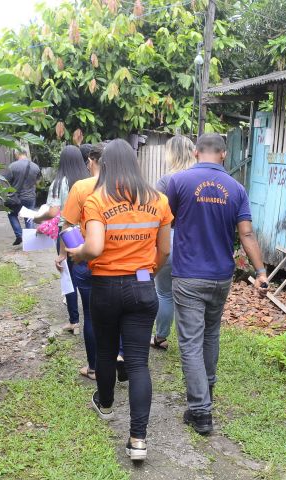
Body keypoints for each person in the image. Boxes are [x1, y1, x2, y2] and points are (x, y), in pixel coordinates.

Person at [68, 139, 172, 461]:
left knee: (106, 350)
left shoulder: (97, 199)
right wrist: (147, 272)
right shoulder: (159, 200)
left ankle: (107, 403)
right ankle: (138, 440)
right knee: (139, 362)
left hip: (106, 288)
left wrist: (77, 253)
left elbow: (95, 247)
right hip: (142, 286)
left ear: (106, 164)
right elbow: (165, 250)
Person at [166, 133, 268, 435]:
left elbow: (165, 220)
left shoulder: (179, 183)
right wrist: (260, 271)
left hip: (188, 275)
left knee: (190, 343)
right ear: (224, 154)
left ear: (196, 152)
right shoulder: (236, 189)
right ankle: (206, 394)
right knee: (210, 335)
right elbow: (247, 234)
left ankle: (201, 411)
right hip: (221, 277)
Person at [58, 143, 103, 380]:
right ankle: (120, 355)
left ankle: (94, 367)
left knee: (91, 315)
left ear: (93, 161)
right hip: (117, 261)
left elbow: (68, 226)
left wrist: (67, 254)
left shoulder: (82, 187)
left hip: (87, 258)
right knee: (117, 314)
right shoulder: (125, 186)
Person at [35, 145, 89, 337]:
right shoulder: (89, 180)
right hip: (88, 232)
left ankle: (74, 321)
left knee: (69, 277)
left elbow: (53, 212)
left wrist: (37, 218)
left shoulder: (60, 182)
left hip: (67, 234)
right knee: (87, 274)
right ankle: (90, 317)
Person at [151, 135, 196, 350]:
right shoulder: (200, 179)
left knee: (165, 292)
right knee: (190, 295)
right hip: (194, 243)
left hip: (169, 237)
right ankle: (191, 340)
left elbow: (155, 215)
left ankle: (160, 337)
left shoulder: (166, 181)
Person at [5, 150, 40, 246]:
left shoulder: (12, 166)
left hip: (15, 198)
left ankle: (19, 235)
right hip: (30, 197)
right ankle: (31, 241)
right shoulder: (35, 167)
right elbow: (37, 182)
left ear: (17, 154)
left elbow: (7, 182)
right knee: (29, 217)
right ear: (26, 154)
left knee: (12, 214)